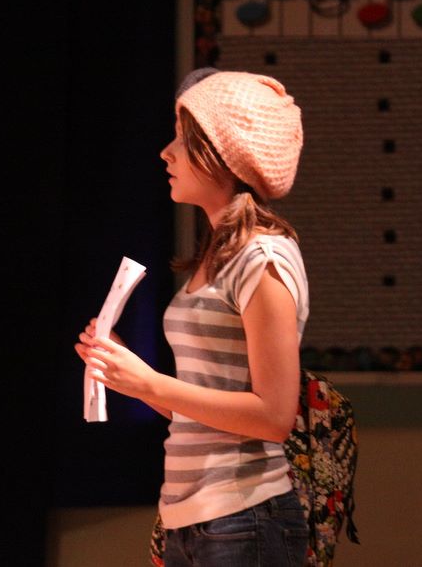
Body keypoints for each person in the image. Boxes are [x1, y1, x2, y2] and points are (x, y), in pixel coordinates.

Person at [75, 69, 309, 566]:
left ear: (225, 154)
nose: (167, 152)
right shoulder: (219, 256)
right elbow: (208, 410)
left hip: (243, 515)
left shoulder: (263, 257)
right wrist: (129, 375)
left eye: (184, 139)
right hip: (194, 521)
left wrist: (150, 383)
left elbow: (274, 417)